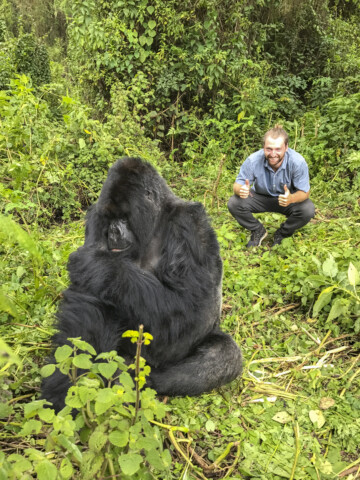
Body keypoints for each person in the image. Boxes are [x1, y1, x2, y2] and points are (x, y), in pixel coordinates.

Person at [227, 126, 315, 247]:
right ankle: (258, 230)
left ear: (286, 147)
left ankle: (283, 233)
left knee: (307, 209)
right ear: (263, 147)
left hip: (286, 200)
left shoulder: (297, 162)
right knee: (234, 202)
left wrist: (291, 199)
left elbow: (305, 192)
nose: (273, 154)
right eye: (269, 149)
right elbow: (237, 184)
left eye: (278, 149)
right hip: (260, 198)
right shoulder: (253, 160)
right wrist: (240, 190)